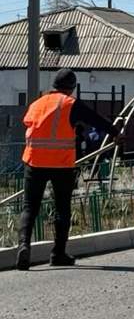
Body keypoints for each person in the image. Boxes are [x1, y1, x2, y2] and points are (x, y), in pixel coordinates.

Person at [17, 68, 120, 270]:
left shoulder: (37, 103)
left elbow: (29, 123)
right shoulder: (71, 104)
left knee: (30, 207)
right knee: (62, 208)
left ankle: (24, 247)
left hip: (34, 162)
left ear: (54, 86)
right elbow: (96, 120)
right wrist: (116, 133)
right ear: (71, 88)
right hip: (61, 164)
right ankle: (58, 254)